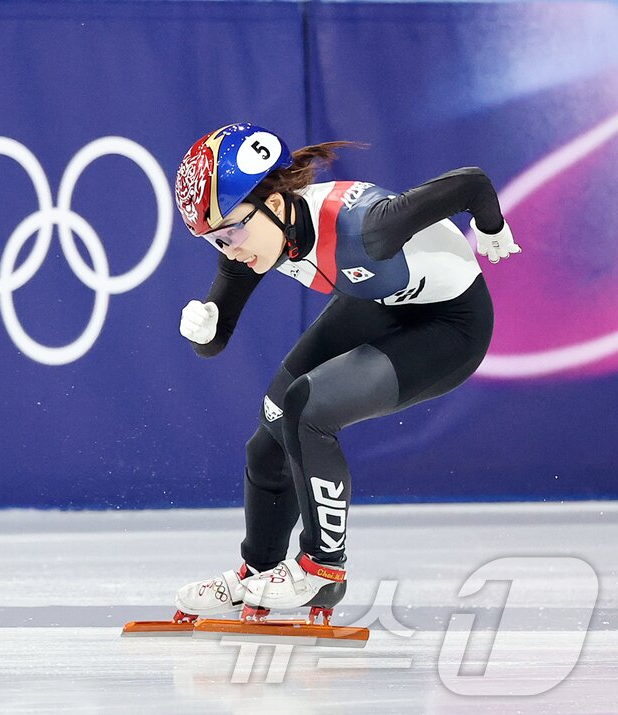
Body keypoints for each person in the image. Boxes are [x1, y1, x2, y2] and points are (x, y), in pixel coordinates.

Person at [168, 123, 519, 623]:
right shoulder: (254, 234)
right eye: (215, 242)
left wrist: (491, 227)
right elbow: (216, 337)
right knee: (267, 440)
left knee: (308, 408)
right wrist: (203, 333)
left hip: (450, 325)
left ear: (274, 200)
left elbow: (472, 183)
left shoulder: (366, 226)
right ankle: (256, 573)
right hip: (377, 301)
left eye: (232, 234)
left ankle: (322, 570)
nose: (231, 252)